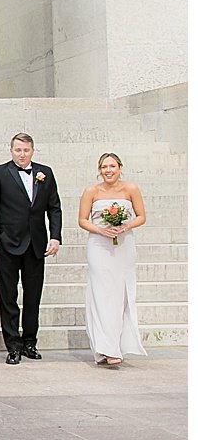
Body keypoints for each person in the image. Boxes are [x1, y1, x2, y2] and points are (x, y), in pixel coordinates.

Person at [0, 132, 62, 364]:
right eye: (18, 150)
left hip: (36, 244)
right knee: (8, 296)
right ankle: (13, 345)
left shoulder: (45, 173)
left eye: (26, 150)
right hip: (7, 244)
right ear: (11, 150)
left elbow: (54, 207)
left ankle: (30, 341)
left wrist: (55, 236)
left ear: (32, 151)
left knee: (33, 296)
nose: (22, 154)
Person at [77, 152, 148, 366]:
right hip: (99, 246)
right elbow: (82, 220)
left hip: (123, 245)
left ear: (119, 167)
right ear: (99, 170)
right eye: (104, 167)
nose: (108, 170)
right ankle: (105, 348)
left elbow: (141, 216)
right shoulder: (91, 191)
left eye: (112, 166)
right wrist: (100, 230)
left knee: (119, 295)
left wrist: (125, 226)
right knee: (101, 293)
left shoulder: (131, 189)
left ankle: (115, 344)